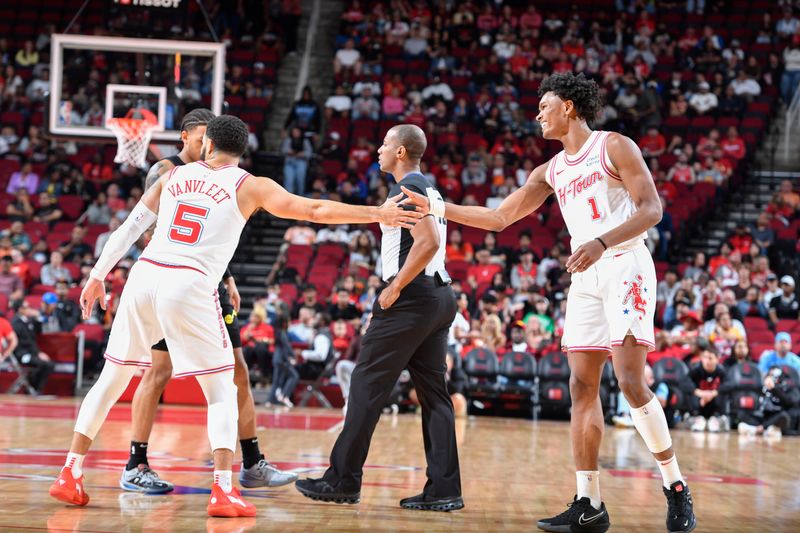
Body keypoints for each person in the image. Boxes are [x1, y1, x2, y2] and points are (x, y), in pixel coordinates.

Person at [48, 114, 421, 516]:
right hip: (189, 284)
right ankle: (223, 489)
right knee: (222, 389)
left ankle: (70, 472)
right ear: (242, 151)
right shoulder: (250, 185)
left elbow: (128, 228)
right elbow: (312, 210)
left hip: (144, 276)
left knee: (112, 378)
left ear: (207, 143)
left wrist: (96, 276)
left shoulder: (174, 175)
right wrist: (376, 213)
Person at [402, 73, 695, 532]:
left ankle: (675, 485)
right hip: (586, 272)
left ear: (571, 108)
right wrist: (438, 209)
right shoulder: (550, 171)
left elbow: (651, 210)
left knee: (631, 383)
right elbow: (500, 217)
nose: (538, 114)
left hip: (624, 263)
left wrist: (600, 242)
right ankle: (589, 502)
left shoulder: (614, 146)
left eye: (545, 106)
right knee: (582, 385)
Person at [295, 124, 463, 512]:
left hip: (412, 298)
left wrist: (394, 288)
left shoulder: (408, 188)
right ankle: (444, 489)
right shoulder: (430, 188)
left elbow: (429, 243)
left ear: (401, 152)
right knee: (435, 396)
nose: (379, 150)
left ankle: (342, 480)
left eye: (386, 144)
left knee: (366, 385)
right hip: (438, 296)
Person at [10, 299, 54, 394]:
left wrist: (38, 317)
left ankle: (35, 388)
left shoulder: (28, 321)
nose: (29, 309)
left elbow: (38, 332)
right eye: (26, 307)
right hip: (22, 354)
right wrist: (38, 353)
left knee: (49, 364)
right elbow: (27, 342)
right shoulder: (16, 323)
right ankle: (34, 388)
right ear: (20, 310)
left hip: (31, 352)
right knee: (44, 364)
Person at [688, 344, 730, 432]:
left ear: (717, 359)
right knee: (690, 391)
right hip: (699, 402)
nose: (707, 361)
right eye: (705, 357)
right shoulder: (695, 369)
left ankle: (716, 419)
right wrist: (699, 393)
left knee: (724, 392)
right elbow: (684, 383)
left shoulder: (721, 371)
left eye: (710, 358)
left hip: (714, 403)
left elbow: (730, 384)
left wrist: (713, 393)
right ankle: (697, 418)